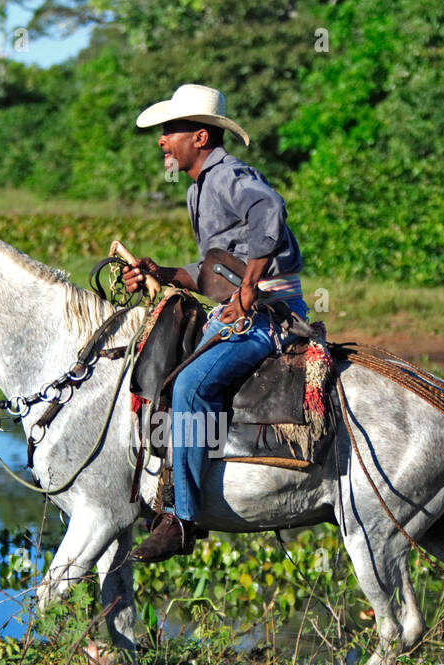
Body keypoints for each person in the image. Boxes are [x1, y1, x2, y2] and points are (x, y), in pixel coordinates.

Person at [122, 84, 311, 562]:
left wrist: (249, 288)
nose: (163, 141)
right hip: (235, 306)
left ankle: (183, 520)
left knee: (188, 387)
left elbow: (269, 210)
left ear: (200, 137)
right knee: (156, 372)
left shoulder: (229, 175)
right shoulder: (197, 190)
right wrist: (162, 274)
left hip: (269, 315)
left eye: (171, 131)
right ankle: (167, 490)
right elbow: (214, 269)